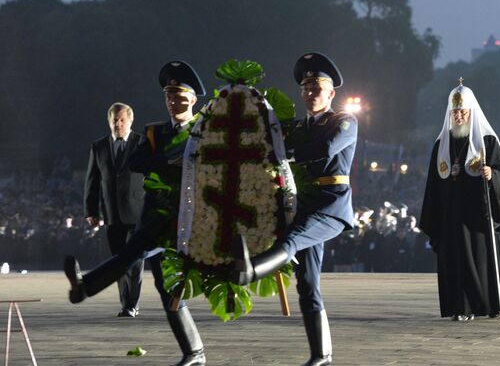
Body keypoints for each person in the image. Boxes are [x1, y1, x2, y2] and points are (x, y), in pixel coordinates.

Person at [65, 61, 207, 366]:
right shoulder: (154, 132)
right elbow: (139, 162)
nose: (172, 101)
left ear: (194, 99)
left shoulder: (206, 130)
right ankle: (194, 352)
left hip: (192, 218)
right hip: (158, 217)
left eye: (179, 96)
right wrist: (174, 161)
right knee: (155, 277)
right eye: (168, 95)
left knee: (151, 271)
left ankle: (86, 286)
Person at [230, 52, 357, 365]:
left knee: (292, 240)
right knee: (308, 283)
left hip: (331, 205)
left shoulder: (344, 121)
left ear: (331, 93)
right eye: (306, 88)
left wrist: (284, 153)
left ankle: (251, 270)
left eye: (317, 87)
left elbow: (323, 149)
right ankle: (321, 354)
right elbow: (265, 137)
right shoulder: (297, 126)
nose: (311, 93)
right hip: (303, 205)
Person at [419, 79, 500, 322]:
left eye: (462, 111)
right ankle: (460, 307)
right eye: (454, 112)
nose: (458, 116)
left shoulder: (487, 141)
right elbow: (433, 184)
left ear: (471, 112)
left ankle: (487, 305)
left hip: (477, 217)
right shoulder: (441, 144)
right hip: (451, 217)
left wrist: (493, 175)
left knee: (479, 261)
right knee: (455, 262)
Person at [83, 102, 145, 317]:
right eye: (114, 120)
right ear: (109, 121)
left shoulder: (142, 143)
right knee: (119, 262)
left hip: (137, 212)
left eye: (122, 120)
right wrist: (91, 211)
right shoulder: (99, 146)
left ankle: (132, 305)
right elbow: (92, 181)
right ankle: (125, 303)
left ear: (130, 120)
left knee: (135, 261)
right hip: (111, 214)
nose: (118, 124)